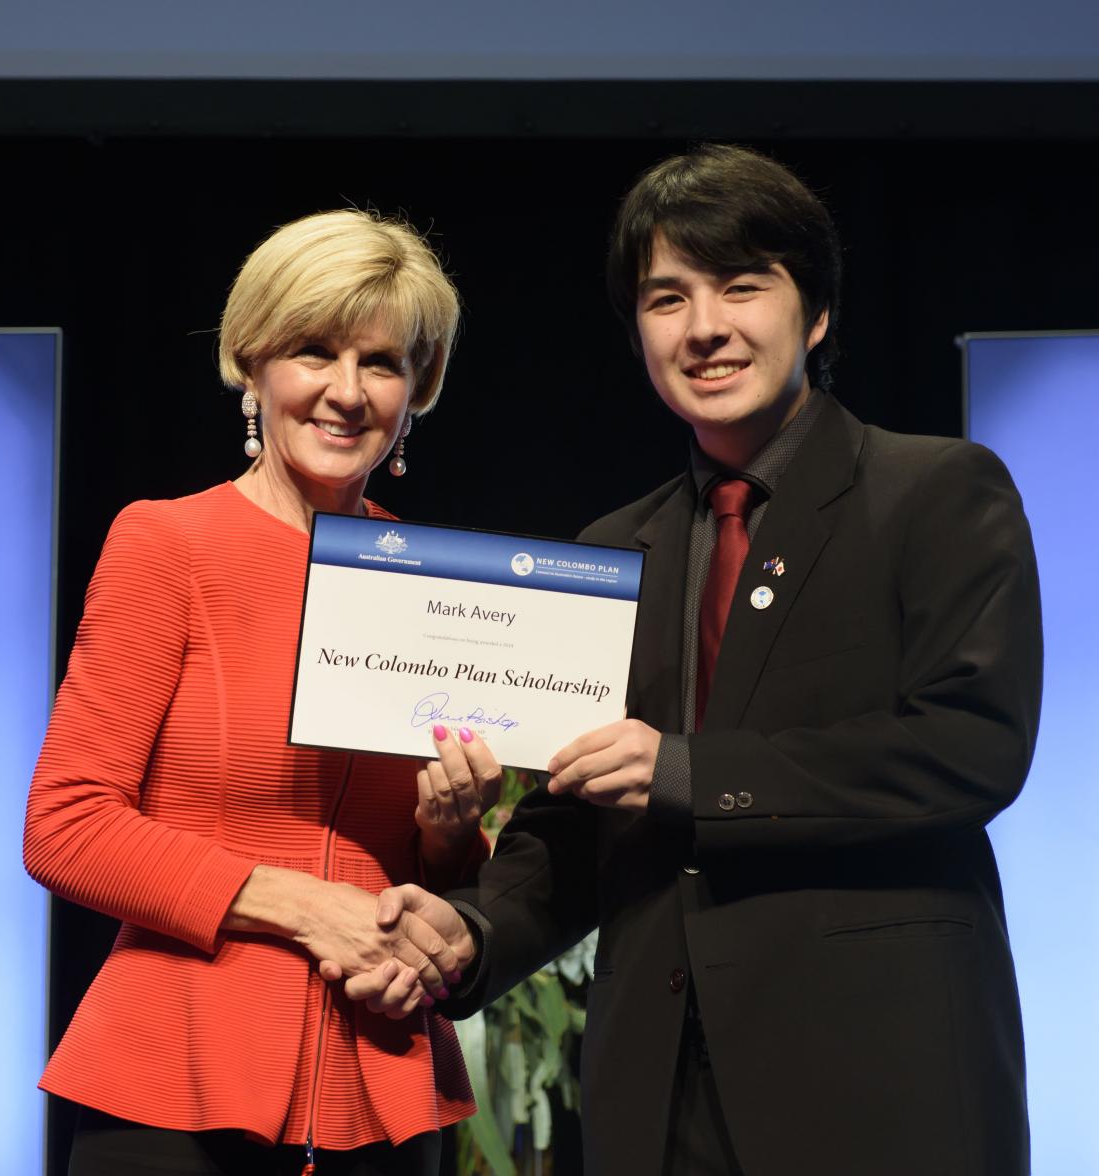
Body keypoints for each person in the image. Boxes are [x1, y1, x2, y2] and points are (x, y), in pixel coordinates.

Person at [357, 146, 1041, 1176]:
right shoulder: (610, 551)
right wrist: (471, 935)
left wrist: (686, 774)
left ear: (815, 316)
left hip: (879, 1084)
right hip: (659, 1094)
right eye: (667, 297)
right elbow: (568, 826)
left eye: (742, 286)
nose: (705, 326)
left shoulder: (937, 490)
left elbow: (969, 746)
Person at [23, 209, 504, 1176]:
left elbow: (433, 883)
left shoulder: (436, 588)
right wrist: (298, 905)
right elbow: (65, 826)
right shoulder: (167, 544)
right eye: (313, 351)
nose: (344, 391)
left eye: (380, 361)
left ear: (420, 389)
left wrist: (452, 834)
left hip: (384, 1083)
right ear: (253, 366)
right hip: (176, 1081)